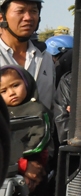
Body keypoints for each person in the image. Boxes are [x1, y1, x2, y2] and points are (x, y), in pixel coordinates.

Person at [0, 0, 56, 111]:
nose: (28, 18)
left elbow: (52, 103)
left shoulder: (44, 57)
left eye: (33, 11)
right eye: (20, 11)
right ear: (1, 17)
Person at [0, 65, 53, 194]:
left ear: (27, 82)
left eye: (15, 85)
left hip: (33, 158)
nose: (11, 93)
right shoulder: (3, 112)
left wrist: (20, 157)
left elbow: (39, 141)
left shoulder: (36, 110)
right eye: (3, 91)